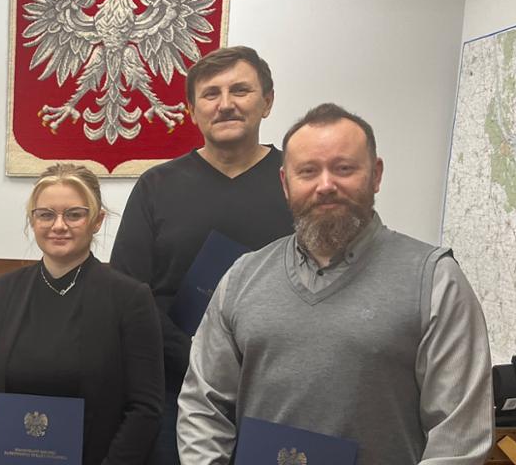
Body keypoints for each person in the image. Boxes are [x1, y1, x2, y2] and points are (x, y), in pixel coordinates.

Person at [177, 103, 493, 464]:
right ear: (285, 184)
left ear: (376, 175)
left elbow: (460, 437)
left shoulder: (435, 280)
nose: (325, 185)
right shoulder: (241, 278)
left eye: (344, 169)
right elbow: (202, 405)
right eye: (308, 171)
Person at [109, 46, 292, 465]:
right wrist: (194, 353)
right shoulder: (157, 186)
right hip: (172, 390)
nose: (225, 104)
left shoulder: (298, 182)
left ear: (267, 102)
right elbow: (128, 292)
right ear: (192, 111)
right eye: (211, 94)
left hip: (277, 389)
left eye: (240, 90)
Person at [0, 163, 163, 465]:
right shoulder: (0, 292)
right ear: (32, 220)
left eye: (74, 214)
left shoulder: (130, 298)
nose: (59, 225)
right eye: (46, 214)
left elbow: (145, 408)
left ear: (97, 220)